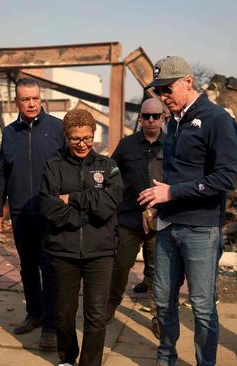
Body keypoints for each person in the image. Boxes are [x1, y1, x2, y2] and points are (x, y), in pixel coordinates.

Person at [138, 56, 237, 366]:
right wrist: (160, 203)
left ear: (187, 82)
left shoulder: (217, 120)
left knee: (202, 305)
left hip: (200, 228)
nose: (163, 98)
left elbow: (226, 178)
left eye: (167, 90)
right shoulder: (176, 121)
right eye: (158, 92)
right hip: (169, 225)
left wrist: (172, 192)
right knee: (163, 302)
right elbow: (175, 172)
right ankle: (165, 358)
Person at [40, 109, 123, 366]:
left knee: (96, 315)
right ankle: (66, 358)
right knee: (64, 313)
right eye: (76, 139)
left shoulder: (107, 166)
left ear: (94, 136)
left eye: (88, 138)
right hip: (63, 251)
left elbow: (111, 203)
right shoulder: (53, 166)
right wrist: (88, 214)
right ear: (66, 137)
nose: (83, 144)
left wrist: (74, 199)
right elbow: (50, 207)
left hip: (100, 252)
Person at [0, 77, 64, 349]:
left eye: (35, 98)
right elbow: (1, 175)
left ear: (40, 98)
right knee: (27, 267)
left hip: (50, 213)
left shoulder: (57, 129)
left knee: (50, 267)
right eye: (25, 99)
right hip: (21, 213)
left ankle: (51, 326)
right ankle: (34, 314)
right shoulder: (9, 133)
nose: (31, 104)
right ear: (17, 102)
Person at [106, 98, 165, 339]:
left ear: (163, 118)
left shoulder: (173, 145)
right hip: (129, 217)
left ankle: (160, 316)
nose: (151, 120)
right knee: (121, 264)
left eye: (156, 116)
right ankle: (111, 303)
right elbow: (111, 170)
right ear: (140, 118)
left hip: (161, 219)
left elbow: (180, 179)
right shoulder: (127, 145)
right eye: (146, 116)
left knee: (161, 271)